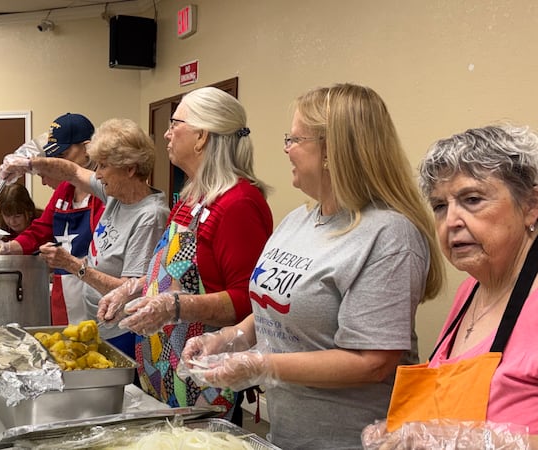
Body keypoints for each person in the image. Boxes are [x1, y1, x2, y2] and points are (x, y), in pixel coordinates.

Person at [177, 83, 445, 449]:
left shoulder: (389, 235)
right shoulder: (298, 220)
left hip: (352, 439)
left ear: (331, 152)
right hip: (288, 434)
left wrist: (262, 365)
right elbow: (278, 305)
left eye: (295, 139)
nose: (286, 148)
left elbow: (372, 363)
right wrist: (227, 339)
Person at [96, 87, 274, 424]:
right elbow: (172, 272)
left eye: (175, 123)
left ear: (201, 137)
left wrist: (175, 307)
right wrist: (134, 289)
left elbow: (249, 302)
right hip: (162, 373)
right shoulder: (192, 197)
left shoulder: (239, 203)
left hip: (201, 379)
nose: (166, 133)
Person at [362, 124, 538, 448]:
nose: (451, 221)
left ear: (531, 206)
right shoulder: (470, 290)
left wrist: (470, 442)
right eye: (440, 206)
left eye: (472, 199)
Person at [0, 118, 169, 358]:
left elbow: (130, 290)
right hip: (101, 324)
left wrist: (72, 265)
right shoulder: (116, 195)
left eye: (103, 167)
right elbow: (71, 171)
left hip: (125, 332)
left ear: (129, 169)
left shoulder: (149, 216)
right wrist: (28, 164)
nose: (97, 175)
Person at [0, 113, 105, 326]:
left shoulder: (105, 192)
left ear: (87, 148)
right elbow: (42, 228)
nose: (59, 162)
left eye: (64, 153)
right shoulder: (64, 191)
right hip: (64, 293)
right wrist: (11, 247)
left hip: (96, 291)